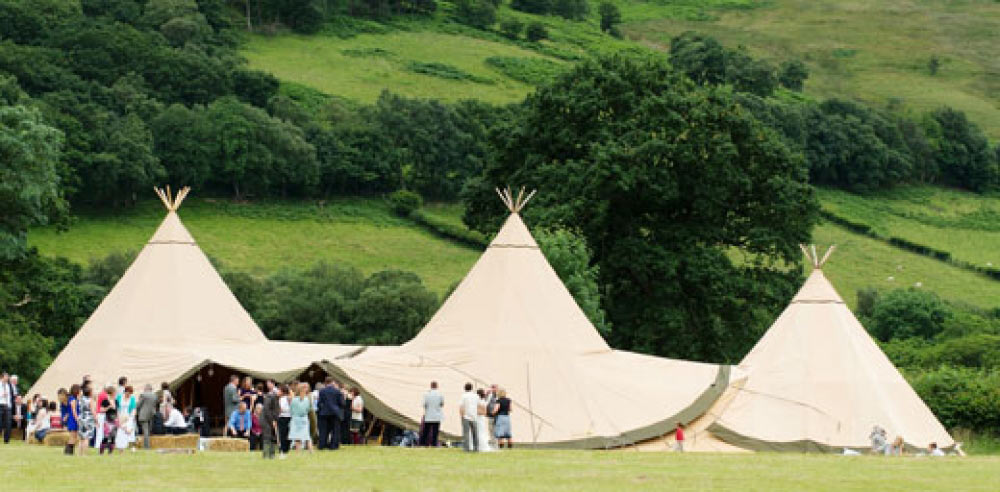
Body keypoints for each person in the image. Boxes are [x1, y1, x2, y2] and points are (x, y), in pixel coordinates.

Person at [317, 377, 345, 450]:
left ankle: (322, 445)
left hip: (324, 412)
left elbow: (319, 403)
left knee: (323, 430)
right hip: (335, 413)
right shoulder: (337, 391)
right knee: (335, 430)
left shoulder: (322, 391)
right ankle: (334, 446)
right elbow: (342, 403)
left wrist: (321, 409)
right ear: (332, 382)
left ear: (325, 383)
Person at [288, 383, 313, 454]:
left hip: (296, 419)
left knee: (297, 437)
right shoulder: (307, 399)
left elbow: (291, 410)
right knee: (307, 436)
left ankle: (297, 452)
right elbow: (309, 409)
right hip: (304, 419)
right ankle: (311, 451)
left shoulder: (294, 400)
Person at [260, 380, 280, 459]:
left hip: (270, 419)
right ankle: (265, 455)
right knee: (267, 437)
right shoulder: (270, 396)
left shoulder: (275, 395)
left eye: (269, 384)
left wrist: (275, 419)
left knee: (272, 437)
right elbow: (267, 410)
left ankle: (272, 455)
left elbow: (275, 409)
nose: (268, 385)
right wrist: (272, 421)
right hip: (266, 419)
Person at [420, 381, 443, 447]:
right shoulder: (440, 394)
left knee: (426, 431)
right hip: (437, 415)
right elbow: (442, 404)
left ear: (431, 386)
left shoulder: (426, 394)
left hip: (428, 415)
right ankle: (434, 444)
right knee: (435, 431)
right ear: (437, 386)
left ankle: (422, 444)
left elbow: (424, 404)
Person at [136, 384, 157, 449]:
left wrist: (137, 411)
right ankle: (148, 445)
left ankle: (146, 447)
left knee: (145, 431)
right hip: (152, 414)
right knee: (149, 430)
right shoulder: (155, 395)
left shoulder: (143, 395)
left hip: (144, 414)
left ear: (146, 389)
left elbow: (138, 405)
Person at [460, 383, 479, 452]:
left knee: (466, 433)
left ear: (465, 388)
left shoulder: (464, 396)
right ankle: (476, 448)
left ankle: (466, 448)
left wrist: (462, 416)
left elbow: (462, 406)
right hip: (474, 416)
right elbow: (478, 405)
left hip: (466, 416)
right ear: (471, 388)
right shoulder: (476, 396)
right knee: (475, 433)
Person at [77, 386, 95, 453]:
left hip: (81, 418)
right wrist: (96, 419)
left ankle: (79, 453)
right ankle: (84, 453)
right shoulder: (90, 400)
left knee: (81, 438)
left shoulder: (80, 399)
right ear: (90, 393)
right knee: (86, 438)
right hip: (88, 419)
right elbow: (93, 411)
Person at [64, 386, 80, 455]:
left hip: (71, 418)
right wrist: (77, 419)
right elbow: (74, 411)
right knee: (73, 436)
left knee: (73, 436)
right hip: (73, 419)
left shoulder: (70, 399)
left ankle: (69, 451)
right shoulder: (73, 400)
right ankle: (69, 451)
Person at [277, 384, 292, 454]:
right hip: (289, 417)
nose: (278, 392)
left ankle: (283, 448)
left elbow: (282, 409)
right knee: (288, 433)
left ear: (282, 391)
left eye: (279, 390)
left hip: (283, 417)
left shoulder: (282, 399)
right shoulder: (290, 398)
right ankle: (287, 448)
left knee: (282, 434)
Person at [0, 373, 11, 444]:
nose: (7, 379)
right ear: (2, 377)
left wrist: (9, 405)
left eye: (8, 377)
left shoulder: (7, 385)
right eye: (6, 377)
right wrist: (2, 395)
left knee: (8, 423)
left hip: (6, 405)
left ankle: (6, 440)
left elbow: (9, 396)